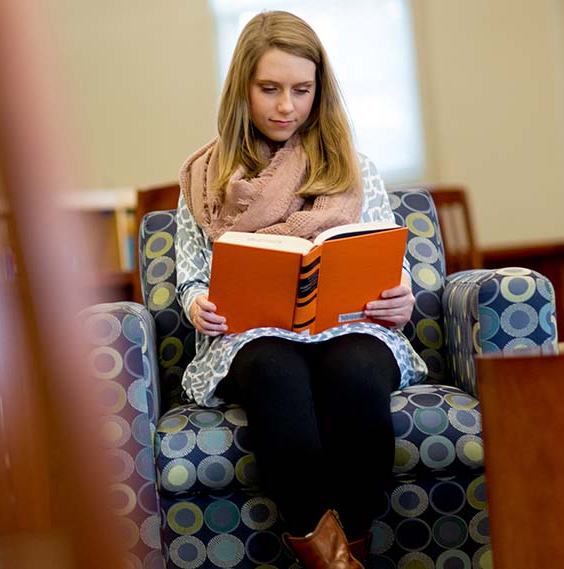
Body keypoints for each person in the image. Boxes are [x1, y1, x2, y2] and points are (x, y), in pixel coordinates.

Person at [174, 11, 424, 569]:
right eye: (269, 89)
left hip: (349, 324)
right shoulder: (205, 178)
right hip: (253, 335)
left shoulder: (354, 168)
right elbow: (190, 274)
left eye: (301, 90)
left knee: (356, 373)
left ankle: (347, 547)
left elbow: (390, 258)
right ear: (242, 89)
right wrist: (196, 305)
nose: (286, 106)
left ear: (319, 91)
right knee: (275, 372)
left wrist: (400, 294)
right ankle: (335, 560)